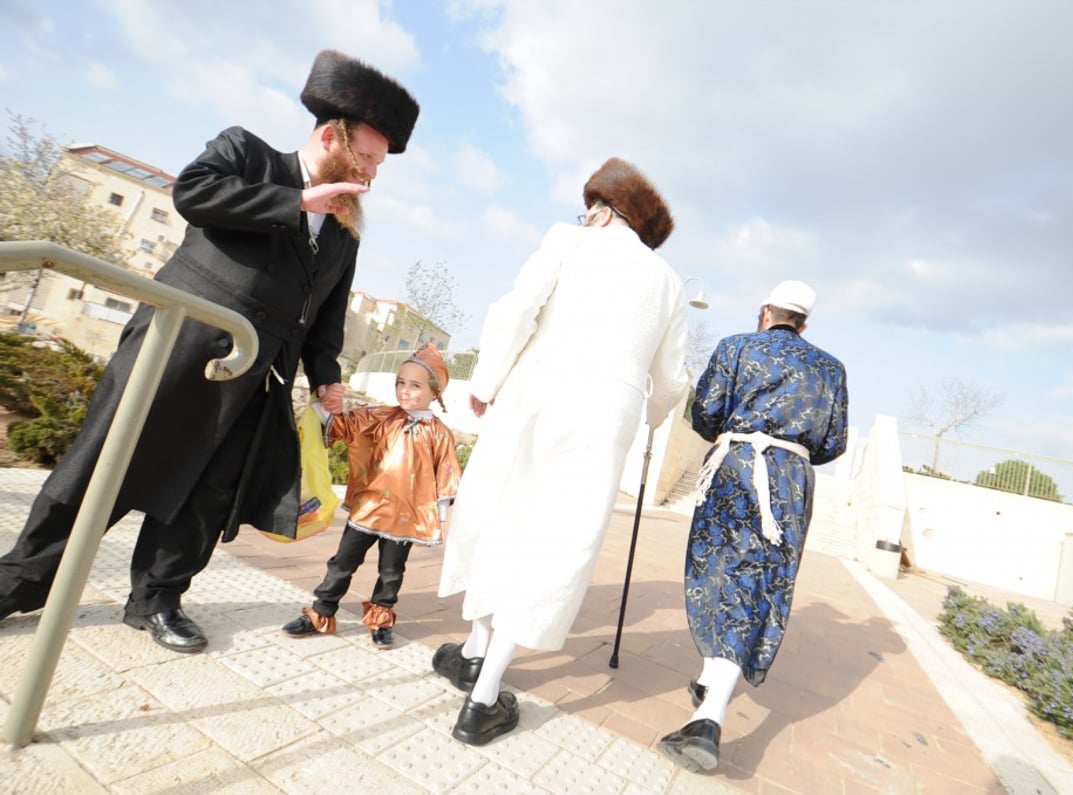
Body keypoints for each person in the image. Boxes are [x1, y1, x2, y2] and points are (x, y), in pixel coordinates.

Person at [0, 50, 419, 654]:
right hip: (177, 348)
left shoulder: (346, 229)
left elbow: (325, 312)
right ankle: (20, 582)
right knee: (103, 467)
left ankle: (157, 599)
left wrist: (325, 375)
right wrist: (294, 205)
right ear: (331, 137)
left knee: (207, 491)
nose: (374, 175)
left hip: (260, 372)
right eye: (370, 159)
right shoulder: (247, 153)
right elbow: (193, 194)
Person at [431, 157, 690, 745]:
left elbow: (516, 312)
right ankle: (477, 658)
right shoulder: (669, 282)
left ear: (603, 211)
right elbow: (672, 378)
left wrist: (486, 381)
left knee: (501, 515)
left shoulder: (568, 240)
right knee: (554, 540)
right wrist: (648, 418)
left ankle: (484, 692)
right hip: (604, 419)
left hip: (535, 394)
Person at [657, 280, 849, 773]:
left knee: (716, 572)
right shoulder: (832, 368)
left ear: (766, 312)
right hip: (791, 481)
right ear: (804, 324)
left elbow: (705, 415)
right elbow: (833, 443)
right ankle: (710, 682)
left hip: (735, 467)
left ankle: (709, 715)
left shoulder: (736, 347)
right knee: (762, 583)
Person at [281, 343, 461, 648]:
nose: (405, 391)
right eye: (400, 383)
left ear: (435, 391)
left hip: (405, 517)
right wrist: (329, 407)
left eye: (415, 385)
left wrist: (437, 514)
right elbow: (345, 425)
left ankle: (381, 617)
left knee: (391, 572)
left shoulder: (439, 433)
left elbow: (446, 472)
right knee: (341, 563)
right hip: (369, 508)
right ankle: (322, 611)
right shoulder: (380, 416)